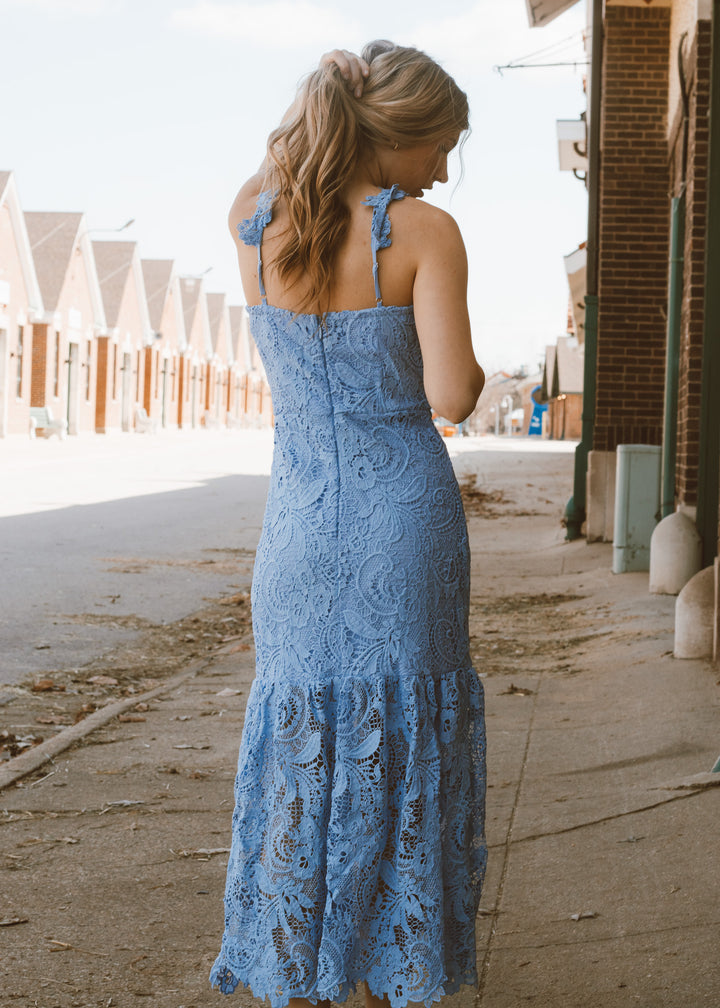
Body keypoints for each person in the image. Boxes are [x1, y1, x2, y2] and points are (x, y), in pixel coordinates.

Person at [211, 41, 487, 1008]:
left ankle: (305, 974)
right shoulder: (426, 232)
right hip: (403, 522)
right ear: (398, 134)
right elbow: (453, 395)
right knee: (404, 738)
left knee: (305, 740)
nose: (443, 169)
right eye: (441, 144)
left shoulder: (253, 215)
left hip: (297, 525)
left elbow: (284, 172)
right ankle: (388, 975)